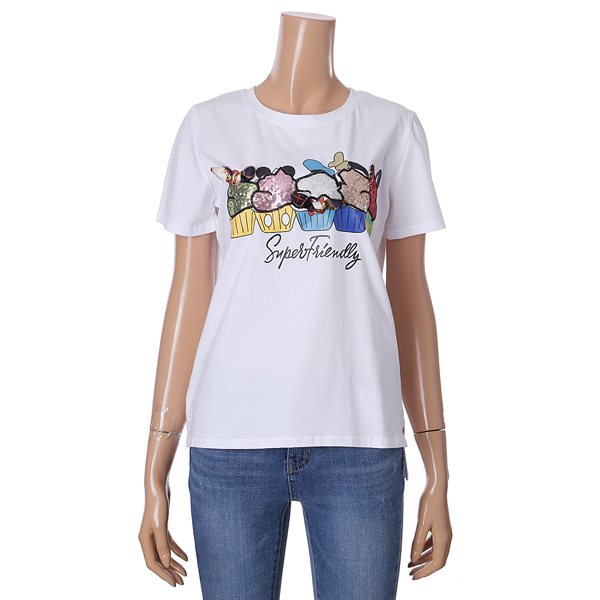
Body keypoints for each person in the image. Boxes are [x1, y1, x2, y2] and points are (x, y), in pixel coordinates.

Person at [139, 10, 452, 598]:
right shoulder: (209, 125)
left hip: (360, 439)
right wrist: (157, 457)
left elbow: (410, 297)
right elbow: (188, 294)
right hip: (230, 439)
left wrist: (438, 464)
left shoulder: (393, 128)